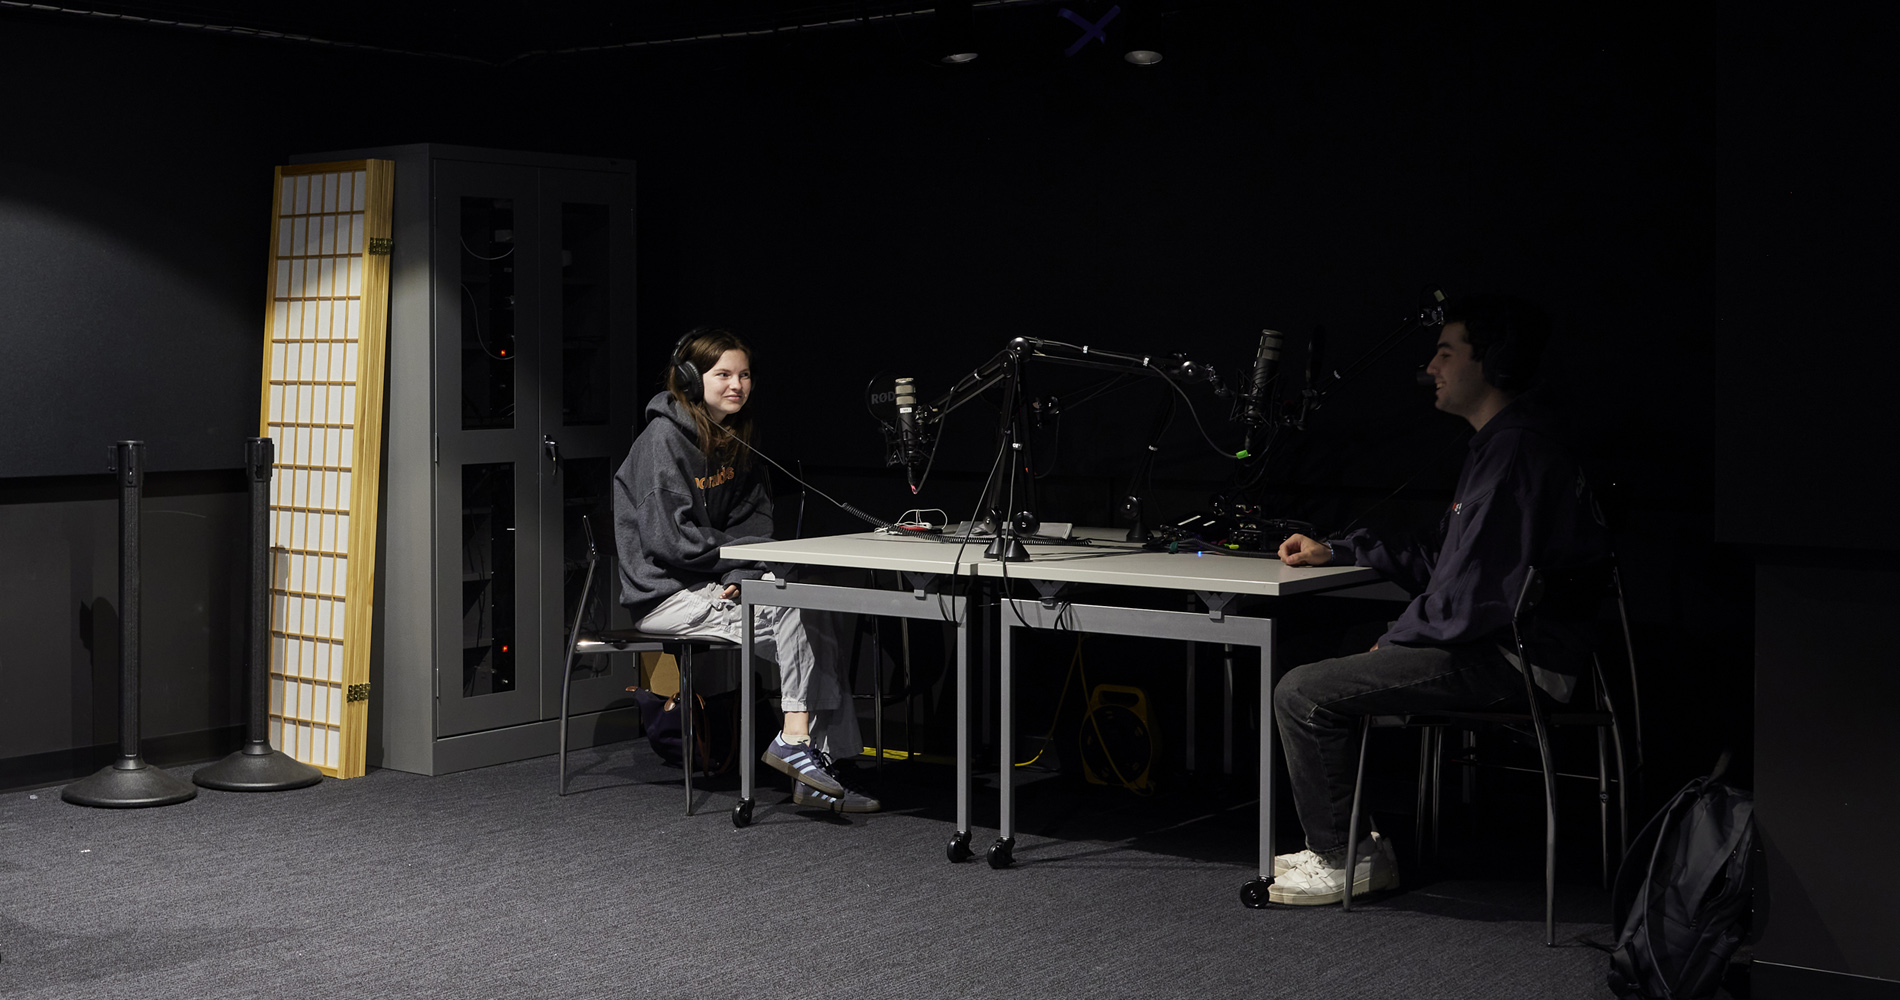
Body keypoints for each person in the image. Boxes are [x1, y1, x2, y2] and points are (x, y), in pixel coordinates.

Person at [1267, 293, 1610, 904]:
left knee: (1301, 691)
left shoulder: (1516, 452)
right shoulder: (1499, 444)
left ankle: (1343, 860)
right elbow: (1443, 555)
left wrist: (1399, 637)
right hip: (1500, 643)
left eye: (1446, 352)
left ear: (1491, 364)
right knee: (1321, 654)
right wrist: (1340, 550)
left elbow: (1474, 597)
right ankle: (1355, 841)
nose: (1432, 366)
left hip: (1513, 658)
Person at [613, 326, 878, 814]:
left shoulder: (737, 437)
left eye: (745, 375)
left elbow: (755, 523)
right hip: (666, 595)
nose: (737, 385)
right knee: (793, 612)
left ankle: (813, 767)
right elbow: (673, 542)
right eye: (723, 374)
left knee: (814, 607)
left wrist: (740, 576)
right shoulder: (662, 441)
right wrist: (736, 564)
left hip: (716, 581)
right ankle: (799, 747)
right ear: (691, 379)